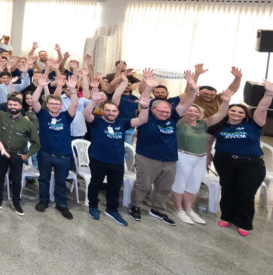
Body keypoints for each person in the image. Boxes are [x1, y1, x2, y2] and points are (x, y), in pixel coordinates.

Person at [128, 69, 197, 225]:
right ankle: (135, 207)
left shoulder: (172, 118)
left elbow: (187, 103)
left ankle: (157, 209)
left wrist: (193, 88)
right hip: (147, 158)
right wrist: (149, 87)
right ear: (153, 110)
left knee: (164, 187)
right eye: (161, 111)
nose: (165, 114)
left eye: (167, 111)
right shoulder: (146, 117)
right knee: (143, 185)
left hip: (169, 159)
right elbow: (144, 102)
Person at [205, 80, 271, 237]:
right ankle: (226, 216)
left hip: (251, 163)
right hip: (224, 161)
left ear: (245, 115)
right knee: (228, 189)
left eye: (240, 112)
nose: (236, 114)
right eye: (233, 111)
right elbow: (208, 143)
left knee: (246, 192)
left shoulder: (254, 124)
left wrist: (269, 93)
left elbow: (262, 108)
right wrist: (207, 158)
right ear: (228, 111)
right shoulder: (218, 125)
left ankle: (243, 222)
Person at [171, 94, 230, 225]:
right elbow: (181, 105)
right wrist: (191, 91)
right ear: (184, 112)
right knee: (180, 183)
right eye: (189, 110)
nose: (193, 113)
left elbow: (221, 114)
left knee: (194, 184)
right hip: (183, 156)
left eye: (196, 111)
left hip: (200, 158)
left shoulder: (203, 124)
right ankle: (178, 208)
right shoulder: (179, 123)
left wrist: (226, 102)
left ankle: (188, 209)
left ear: (200, 114)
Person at [30, 75, 80, 220]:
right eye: (51, 104)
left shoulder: (66, 116)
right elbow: (34, 101)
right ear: (48, 104)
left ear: (60, 106)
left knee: (60, 181)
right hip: (45, 154)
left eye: (57, 104)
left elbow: (75, 105)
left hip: (64, 155)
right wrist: (40, 86)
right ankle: (43, 201)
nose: (54, 106)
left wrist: (72, 89)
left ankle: (62, 204)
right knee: (44, 179)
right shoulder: (43, 115)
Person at [0, 95, 40, 215]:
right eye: (10, 105)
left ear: (20, 106)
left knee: (16, 179)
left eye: (15, 105)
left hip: (17, 155)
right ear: (7, 105)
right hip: (1, 152)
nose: (12, 107)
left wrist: (26, 155)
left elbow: (36, 143)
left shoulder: (27, 123)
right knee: (0, 176)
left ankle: (16, 202)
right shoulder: (1, 116)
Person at [82, 92, 130, 225]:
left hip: (117, 162)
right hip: (98, 159)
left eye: (114, 111)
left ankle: (112, 209)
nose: (111, 113)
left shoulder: (122, 123)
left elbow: (142, 120)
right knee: (95, 184)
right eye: (108, 110)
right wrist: (93, 101)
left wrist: (144, 107)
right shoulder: (96, 122)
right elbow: (86, 114)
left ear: (118, 112)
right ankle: (93, 206)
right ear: (103, 111)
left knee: (115, 186)